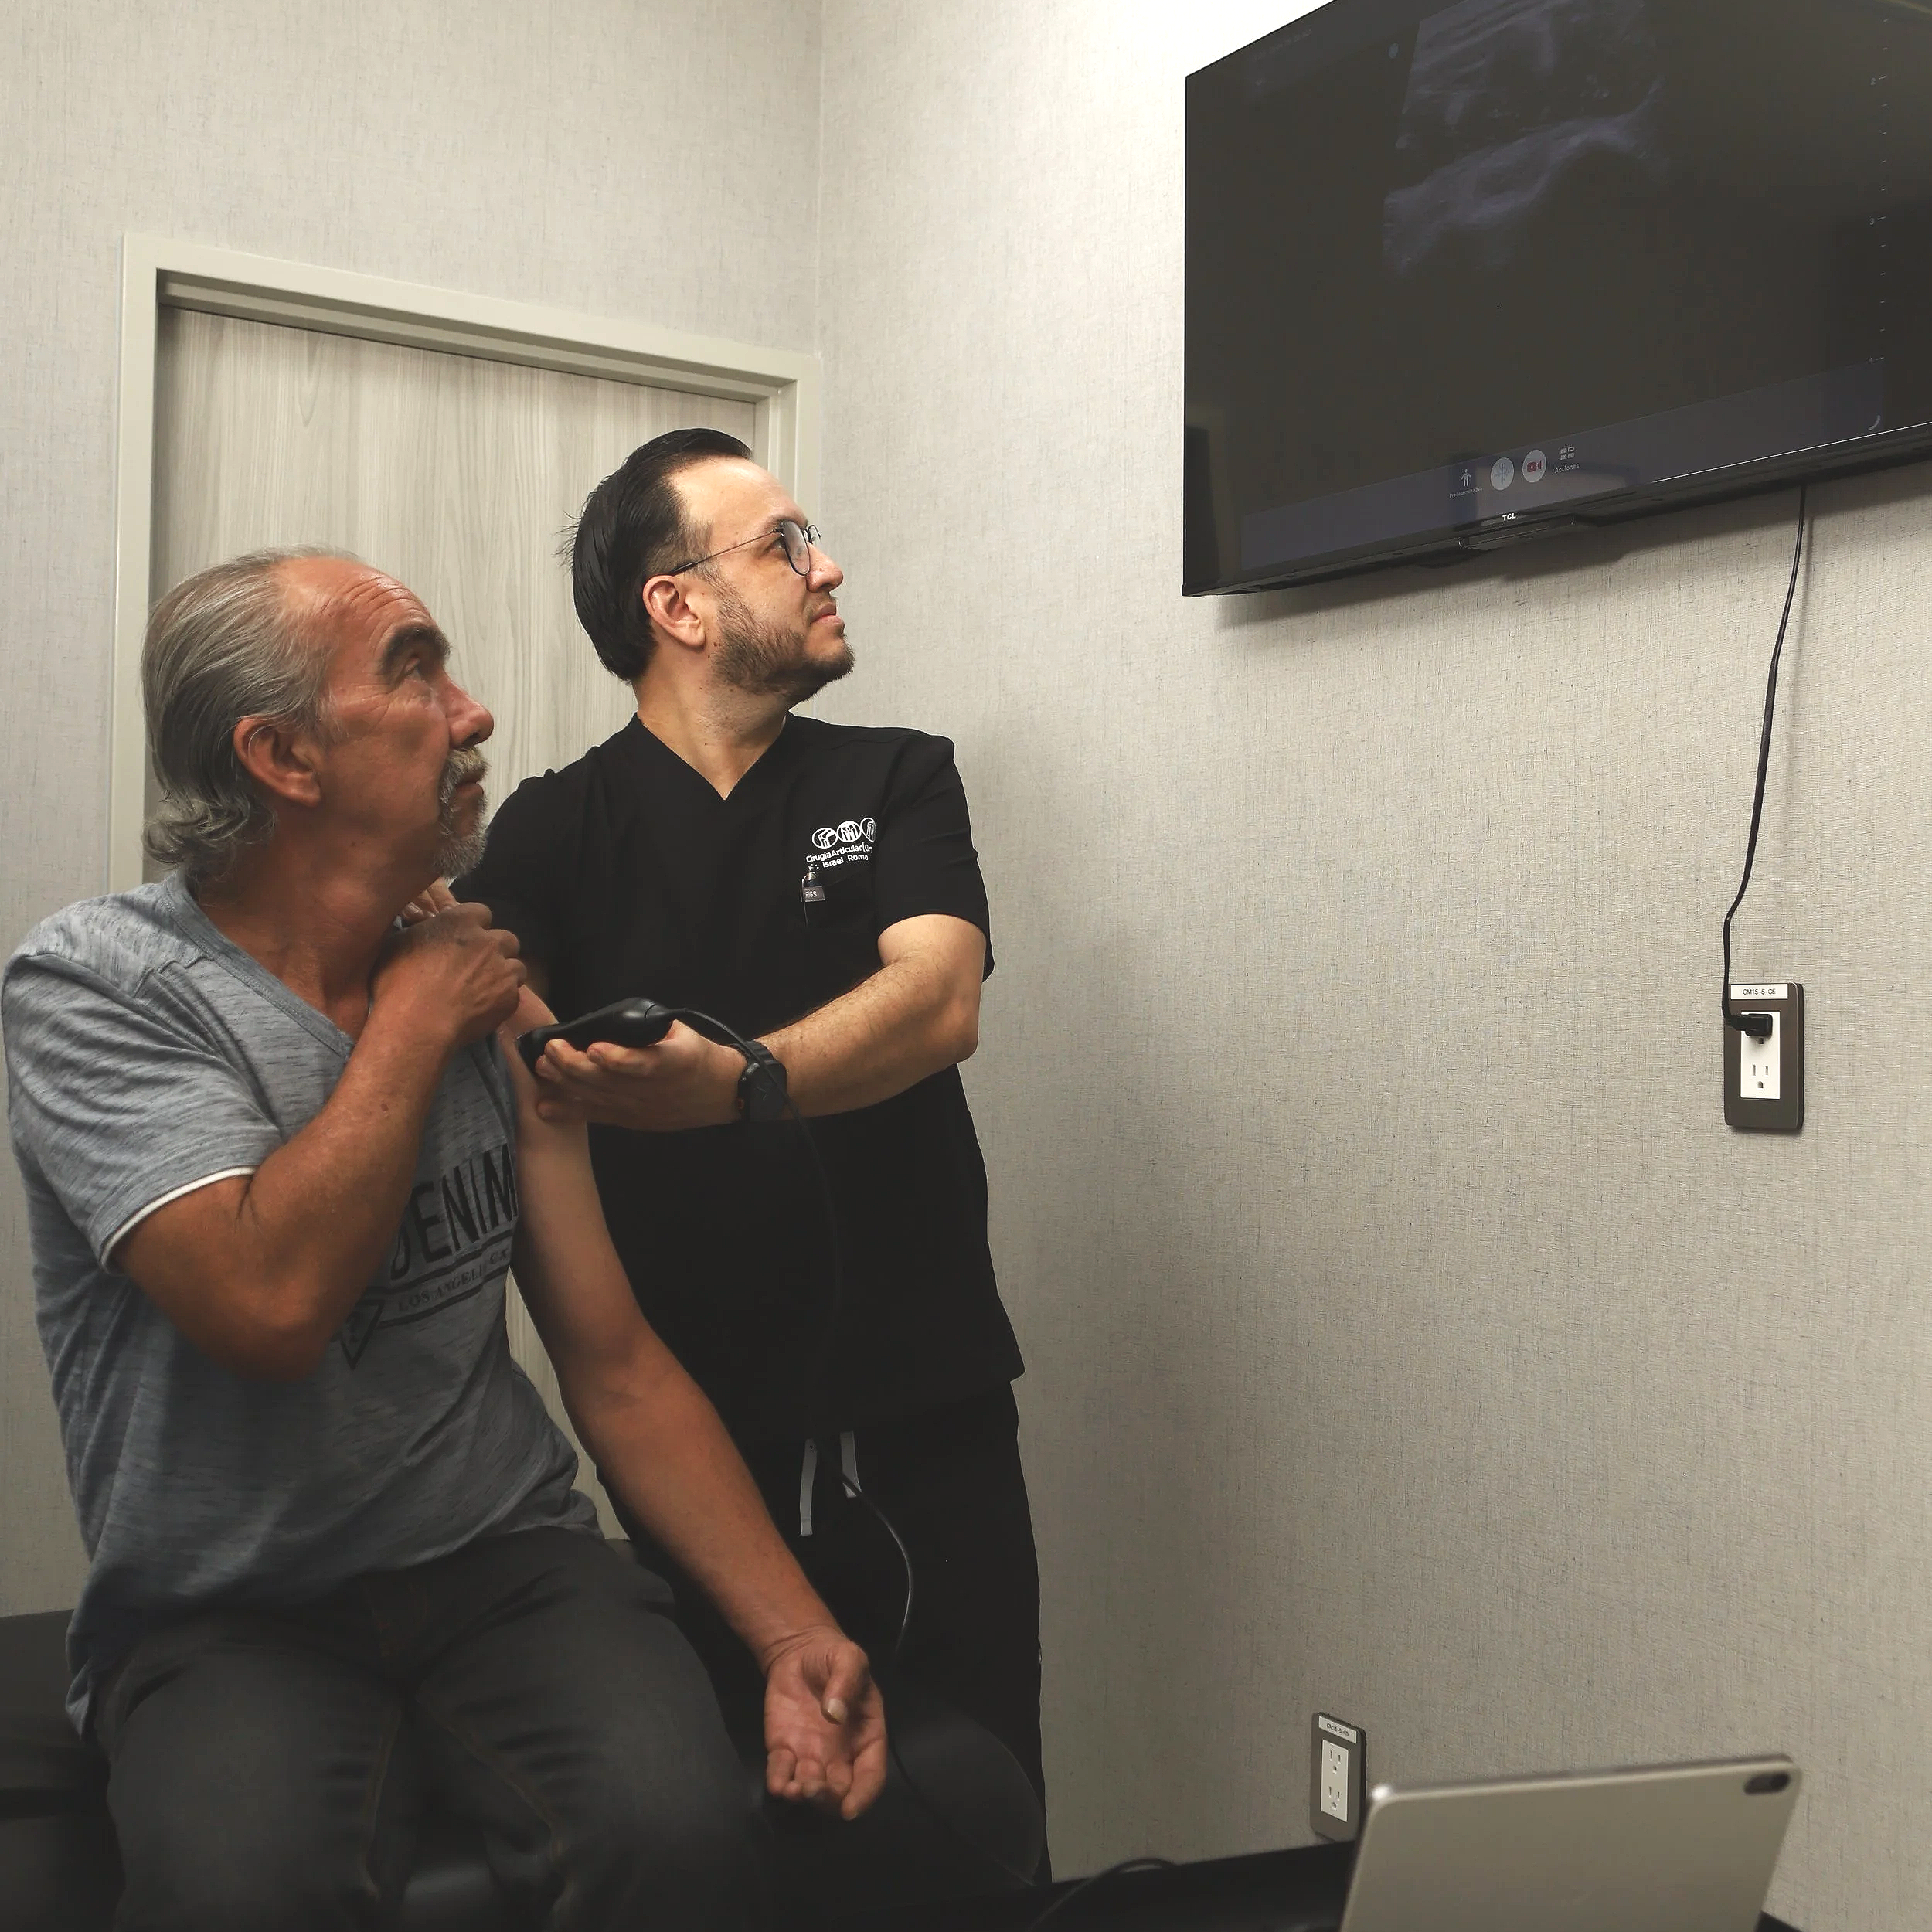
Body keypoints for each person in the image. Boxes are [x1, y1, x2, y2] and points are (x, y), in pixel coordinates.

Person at [2, 548, 886, 1932]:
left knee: (683, 1839)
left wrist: (794, 1631)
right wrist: (415, 1021)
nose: (473, 715)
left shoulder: (493, 1004)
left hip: (504, 1562)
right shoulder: (102, 988)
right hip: (226, 1609)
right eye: (415, 674)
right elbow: (269, 1304)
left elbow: (614, 1363)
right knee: (241, 1895)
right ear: (282, 756)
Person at [454, 429, 1046, 1836]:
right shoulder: (551, 829)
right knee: (748, 1826)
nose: (826, 565)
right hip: (698, 1434)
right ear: (678, 605)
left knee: (983, 1811)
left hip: (930, 1402)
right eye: (784, 543)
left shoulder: (896, 777)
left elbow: (939, 1000)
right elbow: (480, 1014)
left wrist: (740, 1082)